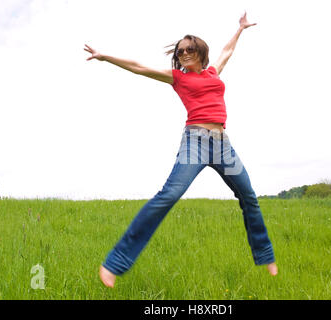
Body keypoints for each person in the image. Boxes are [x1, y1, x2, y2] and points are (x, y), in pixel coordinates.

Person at [84, 12, 278, 288]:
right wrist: (105, 57)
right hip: (195, 143)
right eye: (180, 51)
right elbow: (138, 66)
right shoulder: (177, 77)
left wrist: (240, 30)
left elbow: (227, 51)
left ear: (200, 51)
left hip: (223, 145)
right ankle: (114, 264)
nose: (184, 53)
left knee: (248, 196)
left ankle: (265, 256)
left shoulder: (213, 72)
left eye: (189, 48)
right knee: (170, 194)